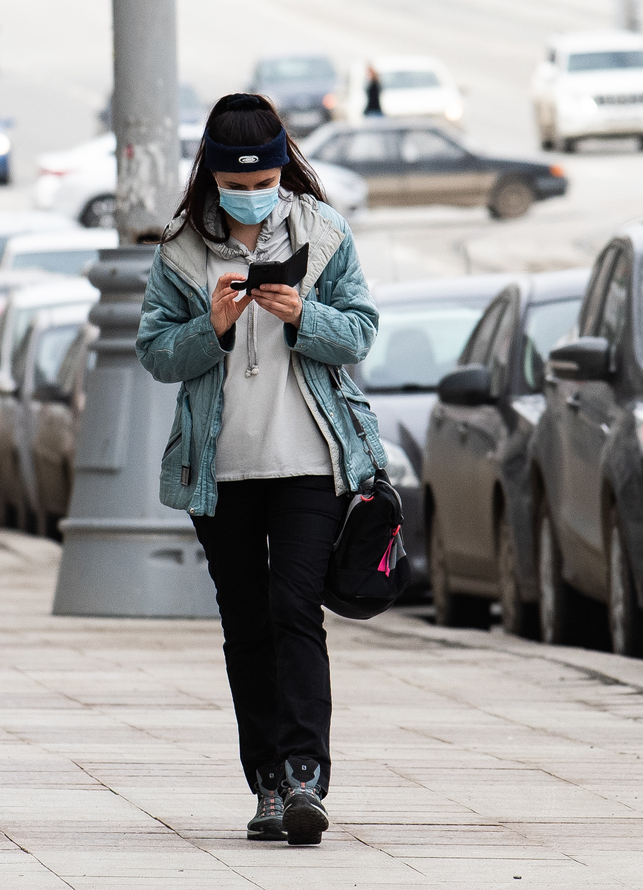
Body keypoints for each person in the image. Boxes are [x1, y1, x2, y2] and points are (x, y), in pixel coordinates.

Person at [136, 93, 384, 847]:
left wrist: (302, 315)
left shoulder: (323, 232)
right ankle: (268, 784)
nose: (252, 193)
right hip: (221, 474)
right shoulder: (180, 252)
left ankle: (307, 773)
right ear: (211, 176)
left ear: (284, 167)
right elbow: (154, 351)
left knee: (293, 609)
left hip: (309, 463)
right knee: (245, 626)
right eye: (236, 182)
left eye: (264, 177)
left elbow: (361, 334)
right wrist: (207, 327)